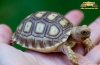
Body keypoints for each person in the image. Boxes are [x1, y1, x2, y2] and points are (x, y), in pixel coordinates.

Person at [0, 10, 100, 65]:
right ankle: (17, 36)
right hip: (31, 26)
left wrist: (87, 42)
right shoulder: (65, 45)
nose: (86, 34)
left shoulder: (73, 35)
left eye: (85, 31)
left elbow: (84, 38)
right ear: (76, 33)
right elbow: (72, 56)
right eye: (83, 33)